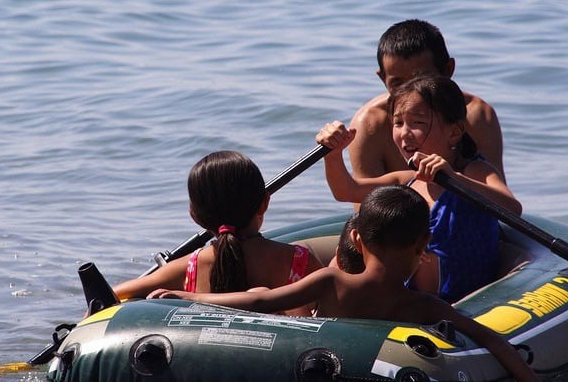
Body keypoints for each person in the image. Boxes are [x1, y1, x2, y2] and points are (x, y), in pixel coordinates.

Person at [149, 186, 538, 382]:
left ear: (355, 240)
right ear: (424, 245)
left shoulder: (332, 281)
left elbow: (262, 303)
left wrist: (187, 297)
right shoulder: (424, 307)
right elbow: (492, 339)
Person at [316, 75, 521, 303]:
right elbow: (346, 190)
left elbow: (512, 208)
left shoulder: (474, 170)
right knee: (333, 269)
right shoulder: (408, 181)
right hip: (412, 303)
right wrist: (332, 155)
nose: (404, 133)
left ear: (454, 132)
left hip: (461, 306)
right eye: (398, 123)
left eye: (418, 123)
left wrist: (454, 178)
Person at [113, 150, 323, 316]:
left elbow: (114, 294)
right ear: (265, 203)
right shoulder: (299, 261)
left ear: (194, 216)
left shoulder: (187, 269)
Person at [349, 19, 505, 184]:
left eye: (421, 79)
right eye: (398, 84)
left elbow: (498, 201)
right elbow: (362, 203)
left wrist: (454, 178)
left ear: (448, 70)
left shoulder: (476, 115)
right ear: (383, 79)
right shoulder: (370, 123)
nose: (411, 93)